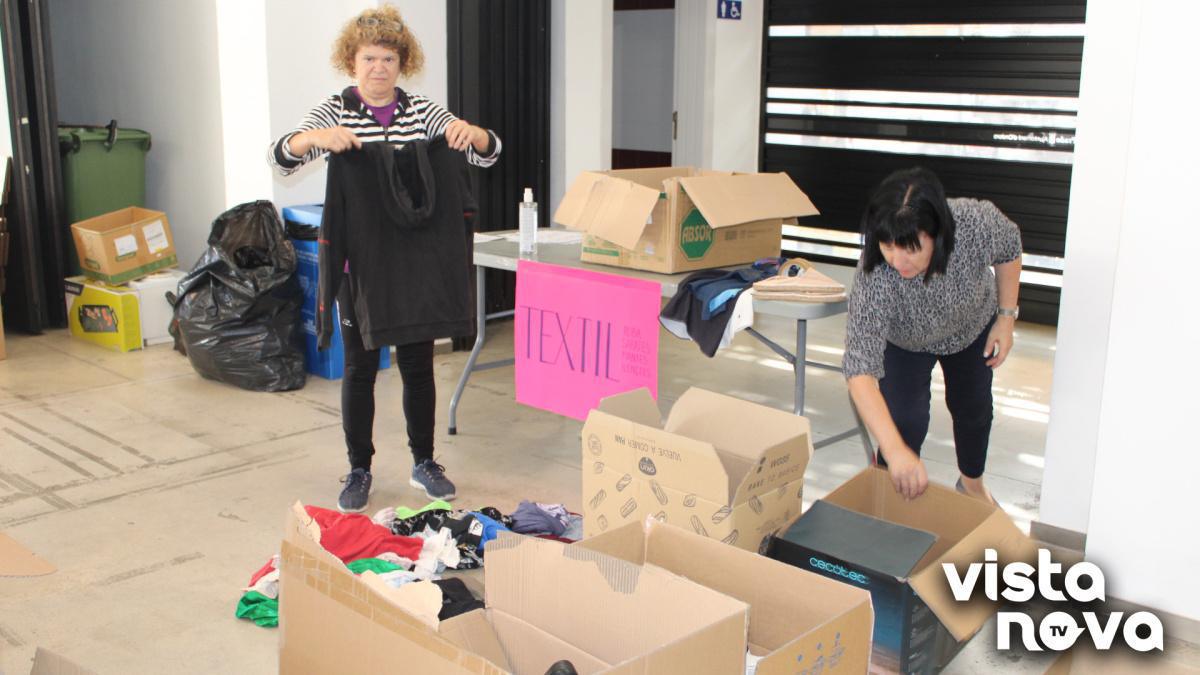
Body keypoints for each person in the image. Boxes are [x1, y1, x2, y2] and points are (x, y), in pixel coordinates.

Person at [267, 6, 501, 513]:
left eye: (389, 59)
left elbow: (488, 152)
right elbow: (281, 157)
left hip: (416, 265)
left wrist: (473, 133)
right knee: (360, 366)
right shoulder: (336, 111)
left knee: (418, 365)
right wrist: (316, 139)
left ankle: (424, 461)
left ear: (402, 64)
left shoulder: (422, 112)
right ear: (351, 62)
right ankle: (359, 468)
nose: (379, 68)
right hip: (361, 267)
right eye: (369, 58)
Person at [843, 167, 1021, 504]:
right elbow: (859, 369)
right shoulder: (874, 270)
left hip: (970, 327)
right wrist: (895, 450)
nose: (897, 260)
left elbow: (1010, 247)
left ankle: (972, 486)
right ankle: (890, 500)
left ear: (937, 232)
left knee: (973, 410)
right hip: (905, 341)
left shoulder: (974, 222)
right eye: (887, 245)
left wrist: (1006, 317)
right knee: (904, 421)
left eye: (910, 248)